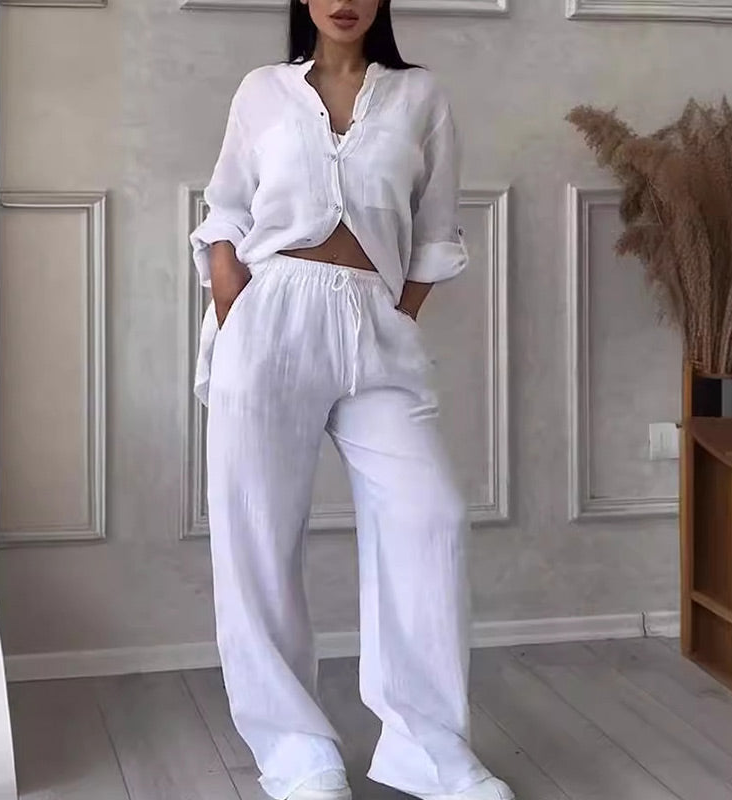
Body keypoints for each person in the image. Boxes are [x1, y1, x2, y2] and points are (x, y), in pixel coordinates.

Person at [189, 2, 514, 799]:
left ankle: (429, 749)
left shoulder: (420, 96)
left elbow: (435, 232)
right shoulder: (262, 90)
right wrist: (239, 307)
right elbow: (225, 208)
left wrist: (391, 320)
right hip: (270, 315)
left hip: (373, 321)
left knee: (428, 514)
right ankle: (296, 753)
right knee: (256, 536)